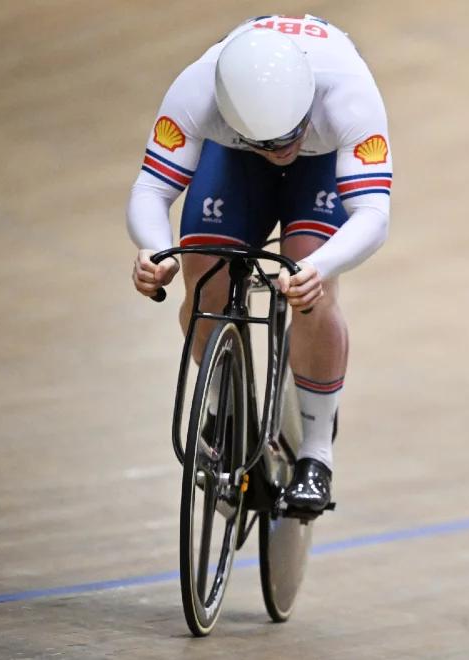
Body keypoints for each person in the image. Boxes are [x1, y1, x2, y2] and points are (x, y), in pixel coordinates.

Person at [127, 15, 393, 513]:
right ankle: (223, 407)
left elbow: (373, 215)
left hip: (320, 164)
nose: (281, 150)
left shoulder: (348, 95)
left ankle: (317, 452)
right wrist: (151, 248)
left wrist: (323, 268)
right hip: (233, 159)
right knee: (205, 282)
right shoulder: (197, 90)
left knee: (306, 277)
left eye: (290, 135)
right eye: (268, 142)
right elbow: (152, 187)